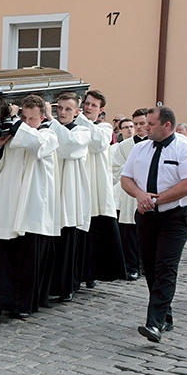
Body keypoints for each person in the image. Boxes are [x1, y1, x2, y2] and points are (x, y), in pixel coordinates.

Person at [121, 106, 187, 342]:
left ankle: (154, 323)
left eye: (151, 124)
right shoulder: (140, 149)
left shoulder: (186, 150)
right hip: (147, 215)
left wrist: (156, 200)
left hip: (175, 216)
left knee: (166, 267)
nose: (146, 127)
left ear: (167, 125)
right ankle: (165, 316)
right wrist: (140, 196)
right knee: (151, 266)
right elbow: (126, 178)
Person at [0, 95, 59, 319]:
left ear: (42, 117)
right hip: (8, 203)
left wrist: (16, 125)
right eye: (24, 116)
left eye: (32, 118)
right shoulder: (15, 135)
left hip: (31, 206)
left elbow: (37, 145)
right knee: (2, 258)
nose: (27, 121)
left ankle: (22, 304)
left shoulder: (48, 135)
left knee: (26, 261)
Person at [75, 90, 126, 295]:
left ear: (101, 110)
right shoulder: (73, 125)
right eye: (86, 104)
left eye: (93, 105)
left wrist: (78, 116)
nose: (88, 108)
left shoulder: (104, 128)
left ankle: (91, 274)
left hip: (95, 187)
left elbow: (97, 143)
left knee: (95, 234)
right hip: (75, 184)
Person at [43, 92, 91, 304]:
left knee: (68, 241)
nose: (62, 113)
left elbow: (68, 147)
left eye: (68, 109)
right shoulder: (48, 129)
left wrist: (51, 121)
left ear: (77, 112)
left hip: (70, 192)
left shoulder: (82, 131)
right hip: (53, 189)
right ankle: (49, 285)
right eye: (59, 108)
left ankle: (67, 286)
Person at [111, 113, 146, 281]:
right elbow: (116, 167)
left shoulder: (154, 143)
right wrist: (132, 168)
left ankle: (144, 265)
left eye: (141, 123)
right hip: (130, 192)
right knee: (129, 232)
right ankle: (132, 266)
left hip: (148, 192)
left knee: (145, 232)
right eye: (136, 123)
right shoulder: (124, 146)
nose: (138, 127)